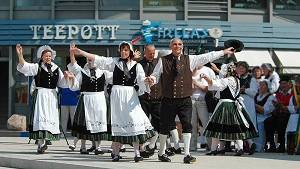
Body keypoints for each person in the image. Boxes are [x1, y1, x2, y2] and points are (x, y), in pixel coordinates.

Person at [147, 38, 234, 163]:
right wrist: (151, 80)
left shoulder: (190, 59)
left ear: (182, 46)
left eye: (180, 44)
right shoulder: (163, 60)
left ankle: (187, 154)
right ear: (171, 46)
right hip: (168, 99)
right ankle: (161, 153)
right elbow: (155, 75)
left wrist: (223, 52)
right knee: (165, 126)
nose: (178, 46)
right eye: (175, 44)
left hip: (185, 99)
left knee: (187, 125)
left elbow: (207, 56)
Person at [69, 41, 154, 163]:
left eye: (126, 50)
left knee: (134, 120)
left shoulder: (137, 66)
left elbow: (141, 80)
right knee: (117, 122)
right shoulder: (114, 62)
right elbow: (98, 59)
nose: (123, 52)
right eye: (122, 50)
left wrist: (147, 81)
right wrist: (81, 52)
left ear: (130, 51)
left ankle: (137, 153)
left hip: (130, 95)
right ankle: (116, 153)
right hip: (117, 96)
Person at [16, 44, 67, 154]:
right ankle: (41, 144)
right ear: (42, 57)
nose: (48, 58)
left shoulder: (56, 68)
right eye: (46, 56)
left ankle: (42, 145)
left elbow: (62, 83)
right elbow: (24, 66)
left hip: (52, 96)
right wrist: (20, 55)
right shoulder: (36, 67)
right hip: (41, 95)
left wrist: (68, 77)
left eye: (49, 56)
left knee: (50, 118)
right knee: (41, 118)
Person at [66, 43, 113, 155]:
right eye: (88, 60)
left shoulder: (104, 73)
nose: (90, 62)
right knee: (85, 122)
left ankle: (98, 146)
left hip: (100, 99)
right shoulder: (83, 72)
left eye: (91, 60)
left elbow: (116, 78)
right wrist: (72, 78)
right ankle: (83, 146)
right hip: (86, 99)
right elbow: (75, 86)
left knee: (99, 123)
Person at [202, 63, 258, 156]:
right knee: (236, 127)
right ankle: (240, 148)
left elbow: (216, 85)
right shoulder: (236, 80)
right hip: (233, 104)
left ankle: (214, 149)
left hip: (225, 105)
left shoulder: (227, 80)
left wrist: (206, 78)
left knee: (217, 127)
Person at [190, 65, 215, 151]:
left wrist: (196, 84)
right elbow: (188, 89)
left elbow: (211, 88)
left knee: (206, 123)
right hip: (191, 99)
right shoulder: (190, 69)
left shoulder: (208, 70)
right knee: (192, 124)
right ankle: (192, 145)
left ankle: (210, 144)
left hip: (203, 100)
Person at [264, 77, 293, 153]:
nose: (283, 85)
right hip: (278, 113)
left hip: (288, 114)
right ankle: (272, 145)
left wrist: (281, 106)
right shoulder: (278, 95)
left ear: (289, 85)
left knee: (281, 123)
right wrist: (277, 107)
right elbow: (276, 108)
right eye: (281, 84)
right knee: (268, 122)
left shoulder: (293, 94)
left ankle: (281, 145)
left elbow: (290, 108)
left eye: (285, 83)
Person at [253, 79, 275, 152]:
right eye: (260, 85)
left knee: (259, 124)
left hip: (265, 117)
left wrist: (253, 104)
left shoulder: (271, 97)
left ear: (267, 86)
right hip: (255, 115)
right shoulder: (256, 95)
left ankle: (260, 147)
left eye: (263, 85)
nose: (261, 87)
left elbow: (265, 111)